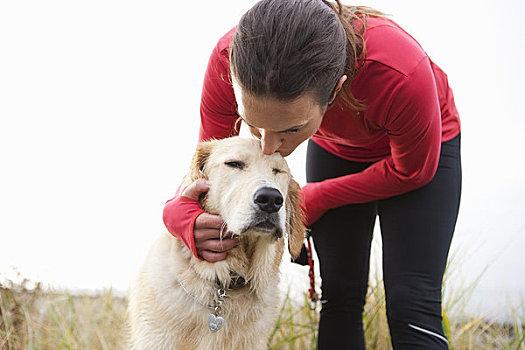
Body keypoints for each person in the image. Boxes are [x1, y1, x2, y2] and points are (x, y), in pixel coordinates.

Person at [163, 0, 461, 349]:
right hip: (337, 148)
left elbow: (411, 171)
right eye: (254, 123)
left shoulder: (400, 71)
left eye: (290, 128)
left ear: (335, 90)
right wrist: (177, 213)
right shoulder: (230, 57)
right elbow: (208, 168)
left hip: (421, 155)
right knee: (338, 294)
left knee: (412, 301)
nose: (269, 145)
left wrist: (316, 197)